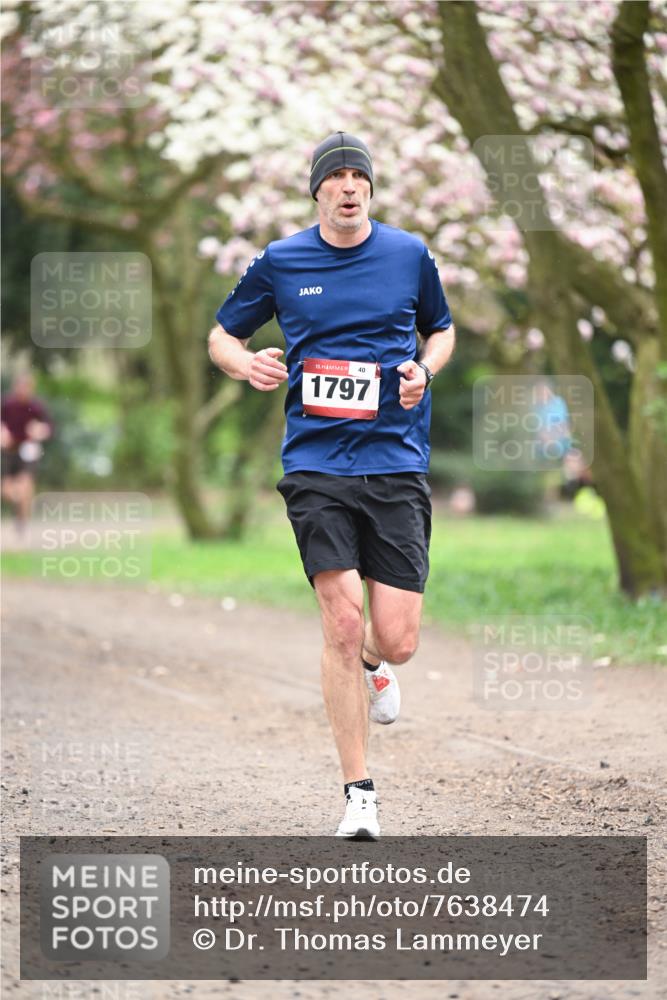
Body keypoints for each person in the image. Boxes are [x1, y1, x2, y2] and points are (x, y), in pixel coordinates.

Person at [208, 131, 455, 838]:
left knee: (396, 638)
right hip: (315, 464)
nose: (348, 186)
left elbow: (440, 330)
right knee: (341, 623)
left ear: (370, 189)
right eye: (336, 176)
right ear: (316, 188)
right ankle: (359, 794)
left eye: (359, 176)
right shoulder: (282, 261)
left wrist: (424, 370)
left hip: (396, 460)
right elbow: (221, 335)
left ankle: (379, 664)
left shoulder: (408, 254)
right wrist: (243, 363)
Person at [1, 372, 52, 536]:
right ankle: (19, 506)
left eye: (27, 387)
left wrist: (40, 430)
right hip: (10, 450)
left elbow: (49, 427)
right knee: (8, 491)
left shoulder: (36, 407)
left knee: (26, 486)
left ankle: (22, 523)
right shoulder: (7, 405)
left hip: (28, 449)